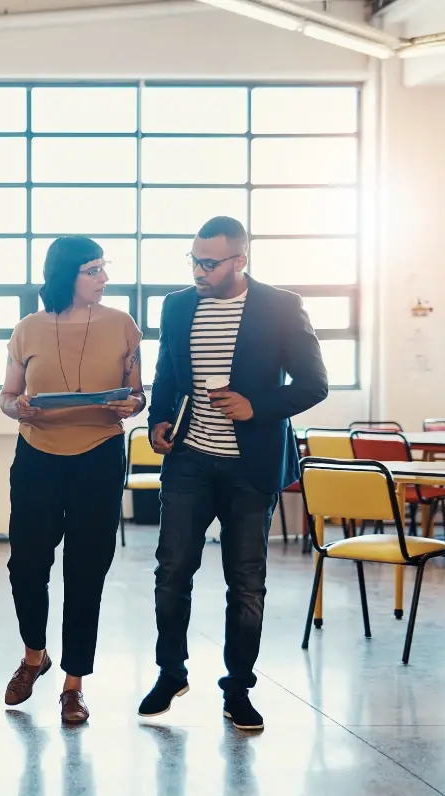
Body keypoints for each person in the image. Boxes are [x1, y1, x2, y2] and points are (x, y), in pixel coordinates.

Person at [138, 216, 328, 731]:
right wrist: (159, 422)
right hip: (189, 461)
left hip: (251, 466)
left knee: (245, 583)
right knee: (171, 573)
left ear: (240, 260)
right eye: (194, 260)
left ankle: (238, 688)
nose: (198, 271)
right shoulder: (178, 306)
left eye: (209, 262)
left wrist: (256, 406)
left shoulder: (281, 307)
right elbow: (166, 373)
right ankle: (170, 673)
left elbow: (314, 384)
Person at [0, 236, 144, 724]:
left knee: (86, 572)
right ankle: (34, 656)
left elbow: (138, 394)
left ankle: (74, 684)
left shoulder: (123, 325)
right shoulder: (28, 329)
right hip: (37, 456)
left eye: (104, 267)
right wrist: (16, 407)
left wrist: (131, 404)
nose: (104, 277)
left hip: (99, 456)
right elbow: (7, 396)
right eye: (93, 270)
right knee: (26, 565)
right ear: (67, 275)